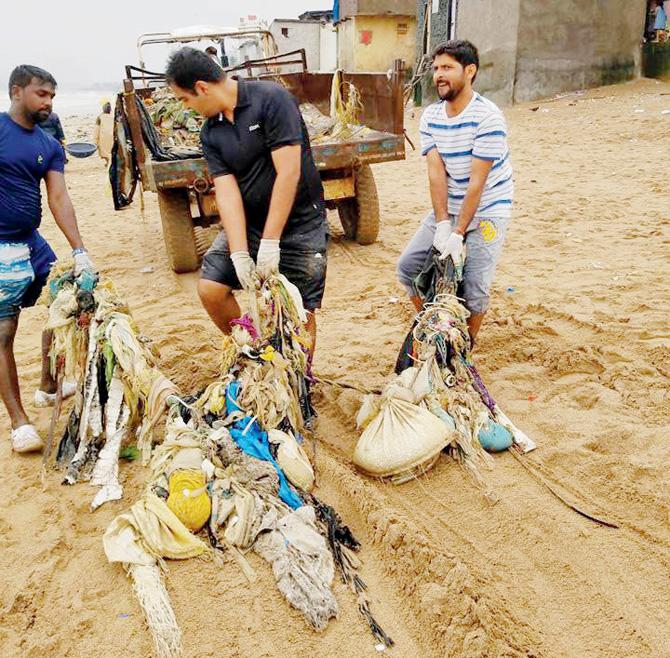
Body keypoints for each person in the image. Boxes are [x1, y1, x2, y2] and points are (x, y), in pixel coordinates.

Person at [165, 47, 328, 352]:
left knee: (299, 309)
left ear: (201, 87)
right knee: (211, 290)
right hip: (250, 226)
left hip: (299, 226)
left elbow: (288, 172)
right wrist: (240, 252)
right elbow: (226, 193)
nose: (186, 107)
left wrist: (270, 243)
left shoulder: (271, 100)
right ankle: (254, 351)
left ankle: (301, 380)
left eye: (184, 99)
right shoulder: (210, 133)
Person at [0, 65, 95, 453]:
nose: (48, 102)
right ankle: (19, 422)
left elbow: (59, 199)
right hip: (1, 248)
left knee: (66, 302)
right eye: (41, 94)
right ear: (16, 91)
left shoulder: (49, 144)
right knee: (4, 332)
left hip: (32, 243)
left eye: (52, 96)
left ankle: (48, 384)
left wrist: (79, 250)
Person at [397, 40, 513, 344]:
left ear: (470, 71)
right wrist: (443, 223)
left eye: (447, 67)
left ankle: (465, 345)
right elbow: (436, 175)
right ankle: (435, 328)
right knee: (408, 267)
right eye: (436, 69)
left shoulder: (488, 118)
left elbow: (478, 182)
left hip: (488, 207)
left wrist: (458, 233)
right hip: (451, 205)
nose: (438, 75)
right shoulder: (431, 117)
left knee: (474, 286)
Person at [94, 101, 114, 166]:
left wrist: (95, 140)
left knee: (104, 151)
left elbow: (97, 130)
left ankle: (108, 161)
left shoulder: (100, 117)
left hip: (103, 137)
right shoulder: (113, 116)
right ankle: (110, 161)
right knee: (111, 150)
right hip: (112, 135)